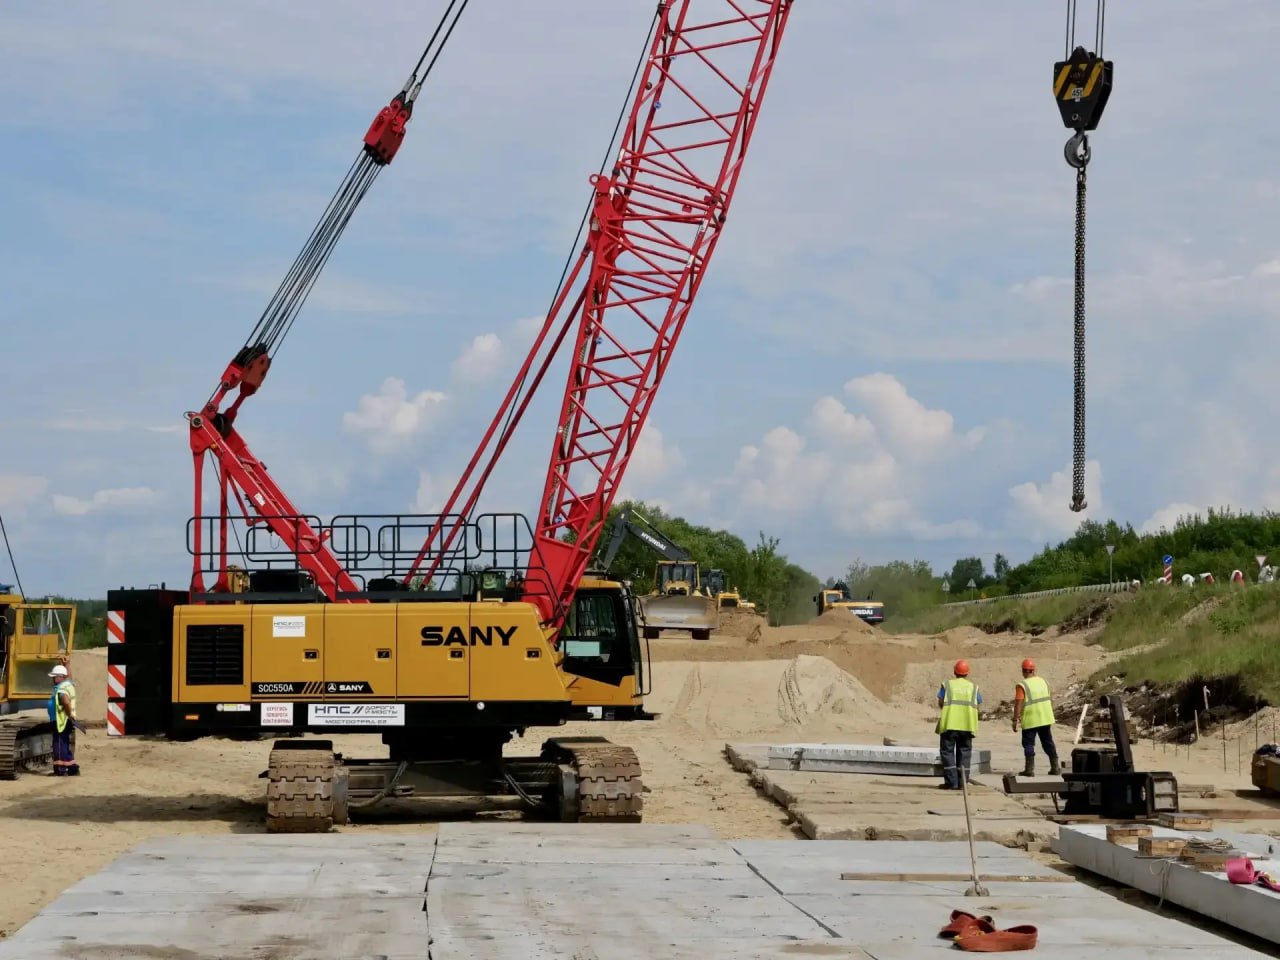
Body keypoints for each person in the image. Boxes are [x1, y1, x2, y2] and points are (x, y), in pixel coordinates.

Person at [936, 659, 981, 789]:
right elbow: (978, 703)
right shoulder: (974, 687)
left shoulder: (947, 685)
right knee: (965, 753)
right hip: (967, 725)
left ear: (955, 672)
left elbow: (940, 702)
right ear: (967, 673)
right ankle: (963, 783)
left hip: (949, 724)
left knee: (947, 752)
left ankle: (951, 782)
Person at [1012, 658, 1059, 776]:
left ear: (1023, 671)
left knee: (1028, 744)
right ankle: (1055, 767)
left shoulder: (1022, 685)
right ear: (1034, 670)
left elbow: (1018, 702)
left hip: (1031, 719)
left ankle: (1029, 770)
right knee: (1048, 742)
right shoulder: (1044, 682)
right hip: (1045, 718)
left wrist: (1015, 719)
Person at [47, 663, 79, 776]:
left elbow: (65, 701)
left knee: (59, 745)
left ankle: (60, 769)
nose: (52, 679)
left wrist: (68, 713)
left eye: (54, 677)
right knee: (64, 744)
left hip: (61, 721)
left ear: (59, 677)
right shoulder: (68, 684)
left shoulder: (62, 688)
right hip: (66, 720)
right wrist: (68, 664)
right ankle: (72, 768)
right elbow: (69, 677)